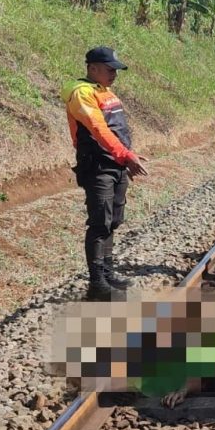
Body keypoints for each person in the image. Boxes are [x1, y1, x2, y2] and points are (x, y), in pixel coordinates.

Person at [60, 46, 149, 301]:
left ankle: (107, 273)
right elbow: (99, 129)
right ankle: (97, 282)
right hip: (98, 165)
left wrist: (127, 155)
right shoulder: (81, 94)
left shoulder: (104, 90)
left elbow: (116, 128)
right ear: (92, 68)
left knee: (114, 219)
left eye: (116, 70)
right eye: (109, 70)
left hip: (116, 163)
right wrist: (125, 155)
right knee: (100, 222)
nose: (114, 74)